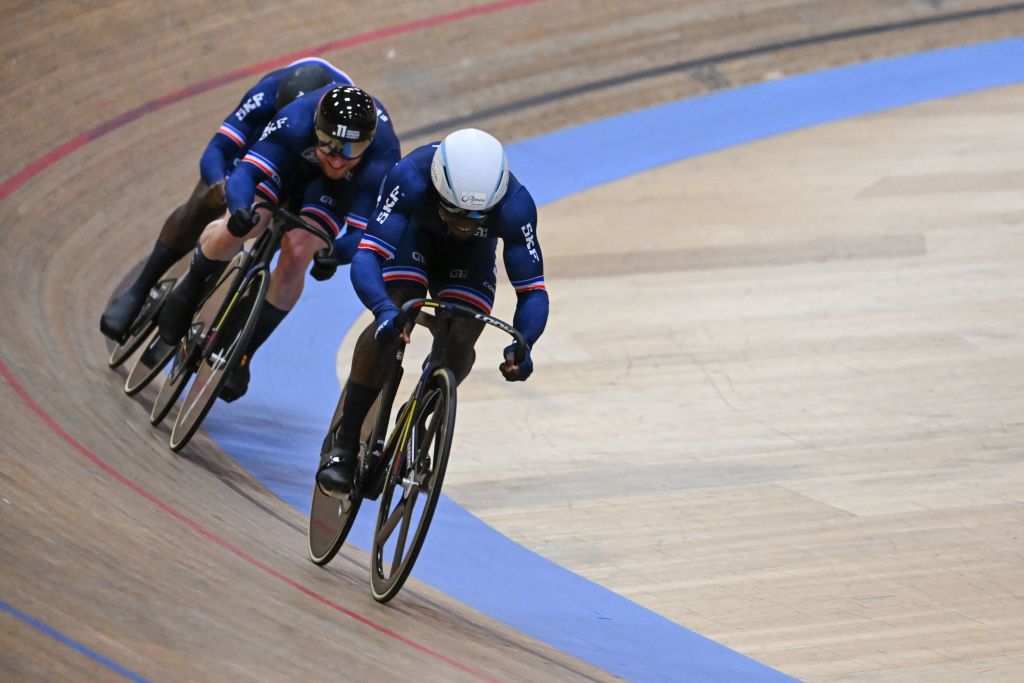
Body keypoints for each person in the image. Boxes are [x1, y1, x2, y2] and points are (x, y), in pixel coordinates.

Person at [316, 128, 548, 496]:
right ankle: (344, 445)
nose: (464, 223)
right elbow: (367, 256)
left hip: (470, 257)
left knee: (461, 334)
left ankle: (421, 413)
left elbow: (532, 291)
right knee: (399, 303)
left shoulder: (516, 206)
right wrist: (383, 311)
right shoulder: (410, 176)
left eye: (476, 216)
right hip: (412, 237)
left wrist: (525, 343)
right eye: (455, 211)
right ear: (438, 186)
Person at [155, 84, 401, 401]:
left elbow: (367, 234)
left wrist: (335, 254)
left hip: (333, 191)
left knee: (298, 253)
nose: (338, 159)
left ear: (367, 144)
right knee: (242, 227)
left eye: (351, 150)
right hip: (289, 163)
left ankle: (244, 353)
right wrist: (241, 208)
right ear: (317, 129)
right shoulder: (296, 120)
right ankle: (186, 295)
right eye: (329, 145)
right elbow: (245, 174)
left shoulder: (383, 155)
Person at [99, 58, 353, 342]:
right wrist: (221, 186)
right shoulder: (268, 93)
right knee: (207, 198)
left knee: (298, 247)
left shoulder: (346, 124)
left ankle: (238, 343)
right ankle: (140, 288)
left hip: (321, 163)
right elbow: (217, 149)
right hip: (273, 145)